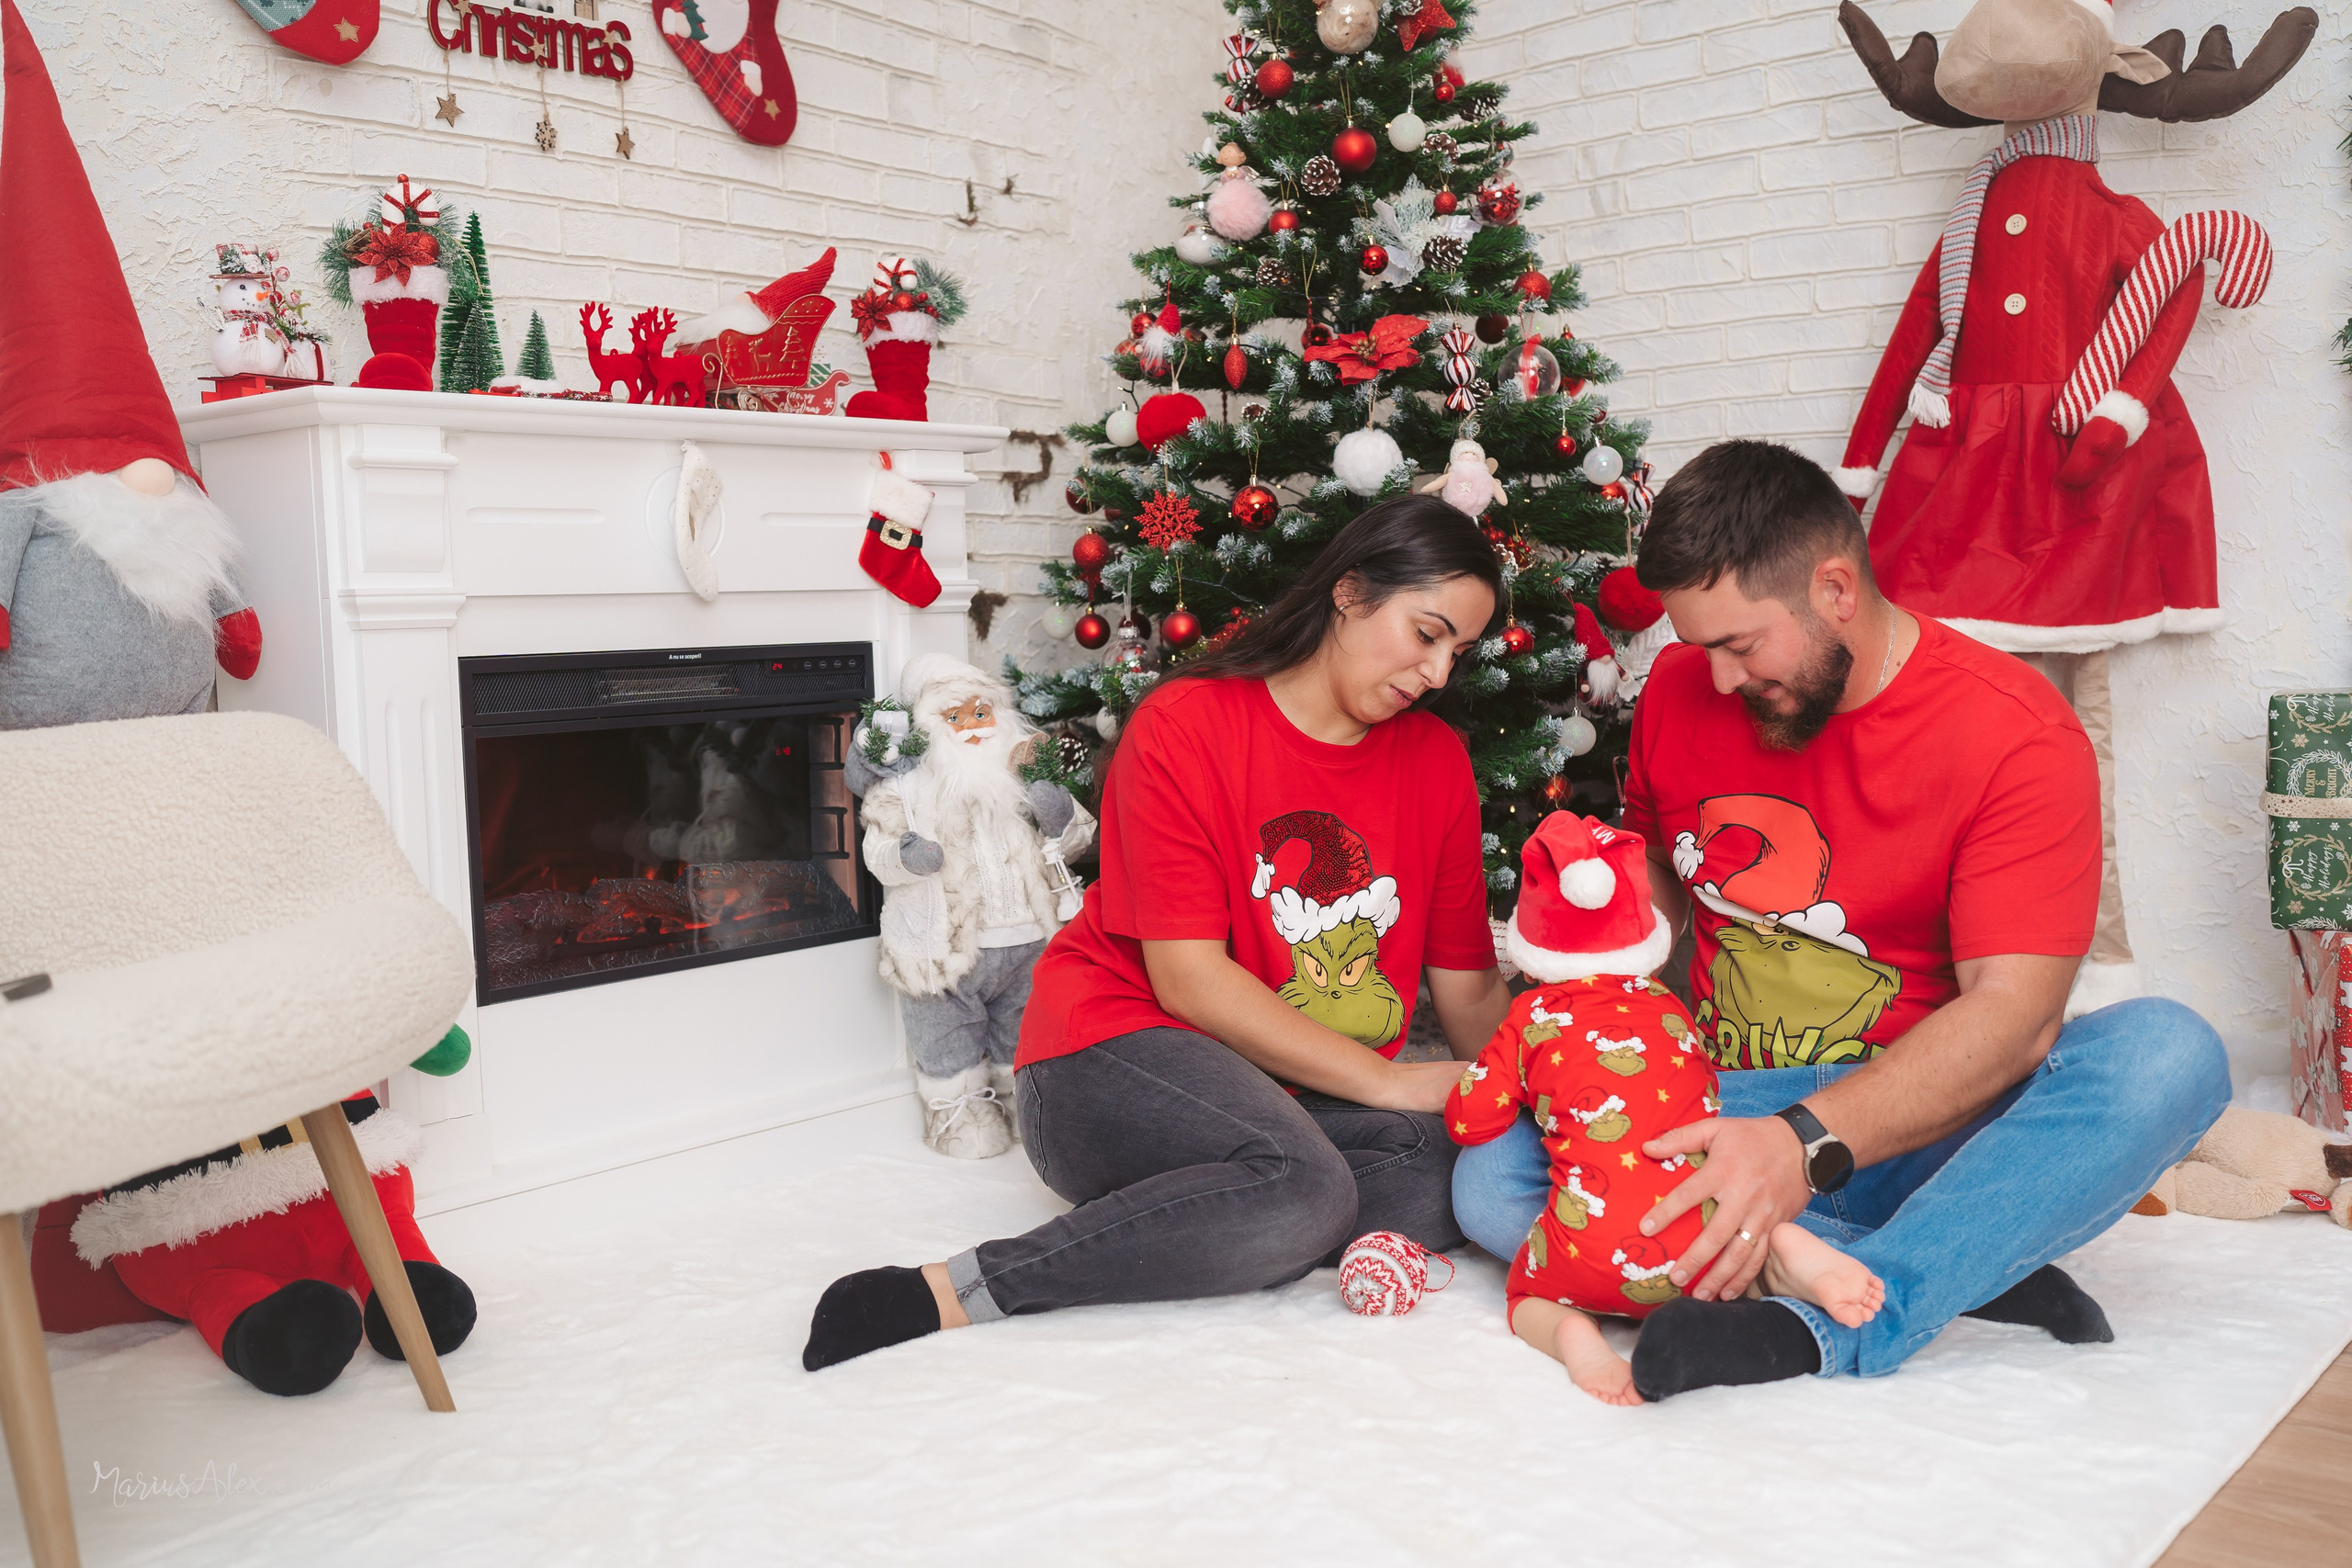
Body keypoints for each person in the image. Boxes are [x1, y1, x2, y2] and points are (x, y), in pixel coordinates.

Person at [1453, 439, 2231, 1400]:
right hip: (1714, 1101)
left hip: (1912, 1111)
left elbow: (2013, 1018)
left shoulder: (2013, 733)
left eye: (1740, 644)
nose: (1722, 680)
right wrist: (1587, 922)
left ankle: (1842, 1315)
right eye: (1702, 650)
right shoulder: (1682, 697)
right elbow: (1653, 878)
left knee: (2168, 1055)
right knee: (1491, 1181)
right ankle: (1962, 1252)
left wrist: (1800, 1145)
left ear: (1833, 590)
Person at [803, 494, 1515, 1370]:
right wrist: (1388, 1081)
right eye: (1427, 632)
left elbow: (1471, 987)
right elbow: (1187, 979)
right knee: (1309, 1188)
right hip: (1107, 1054)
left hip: (1284, 1085)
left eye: (1460, 651)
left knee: (1458, 1164)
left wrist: (1543, 1089)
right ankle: (966, 1286)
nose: (1439, 672)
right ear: (1350, 591)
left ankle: (1226, 1198)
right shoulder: (1188, 724)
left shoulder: (1435, 760)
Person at [1447, 809, 1883, 1406]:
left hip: (1587, 1254)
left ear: (1529, 954)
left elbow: (1469, 1120)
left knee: (1530, 1298)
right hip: (1693, 1253)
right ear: (1647, 943)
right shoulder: (1672, 1011)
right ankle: (1778, 1250)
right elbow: (1703, 1097)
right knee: (1719, 1211)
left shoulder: (1529, 1018)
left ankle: (1578, 1337)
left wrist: (1528, 1088)